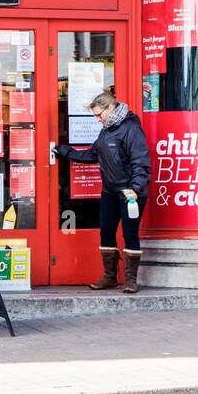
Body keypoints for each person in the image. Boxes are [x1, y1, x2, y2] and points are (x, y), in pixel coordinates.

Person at [54, 91, 151, 292]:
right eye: (96, 116)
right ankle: (109, 277)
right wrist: (65, 152)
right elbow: (94, 154)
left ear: (110, 108)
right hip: (109, 191)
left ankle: (131, 280)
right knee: (106, 232)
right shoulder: (106, 130)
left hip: (129, 193)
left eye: (99, 115)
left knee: (129, 233)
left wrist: (135, 189)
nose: (98, 119)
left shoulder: (131, 128)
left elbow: (140, 162)